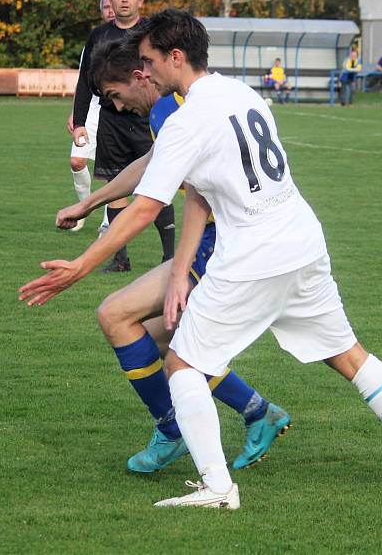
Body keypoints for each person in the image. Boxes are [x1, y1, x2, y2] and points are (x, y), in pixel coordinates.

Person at [20, 9, 382, 509]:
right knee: (350, 357)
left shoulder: (189, 117)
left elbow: (147, 207)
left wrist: (80, 267)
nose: (142, 69)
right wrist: (138, 239)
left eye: (148, 59)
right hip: (302, 242)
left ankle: (217, 488)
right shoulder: (241, 92)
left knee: (183, 365)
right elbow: (196, 190)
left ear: (175, 57)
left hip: (251, 255)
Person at [55, 38, 291, 473]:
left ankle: (172, 428)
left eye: (115, 96)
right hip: (237, 238)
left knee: (115, 317)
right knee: (163, 337)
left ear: (140, 76)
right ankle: (258, 412)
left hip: (225, 243)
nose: (119, 108)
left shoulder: (171, 109)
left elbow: (150, 202)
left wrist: (81, 265)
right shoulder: (175, 105)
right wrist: (88, 204)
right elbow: (150, 163)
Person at [71, 0, 175, 272]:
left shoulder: (152, 34)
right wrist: (79, 121)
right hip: (111, 121)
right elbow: (84, 80)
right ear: (110, 1)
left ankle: (169, 256)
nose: (124, 0)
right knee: (115, 184)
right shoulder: (99, 36)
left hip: (147, 119)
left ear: (140, 0)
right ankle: (120, 259)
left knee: (158, 180)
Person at [66, 0, 118, 233]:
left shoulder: (132, 39)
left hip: (118, 109)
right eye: (106, 7)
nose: (110, 10)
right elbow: (83, 80)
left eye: (113, 5)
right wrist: (76, 116)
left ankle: (108, 222)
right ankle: (84, 209)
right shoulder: (95, 39)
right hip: (93, 109)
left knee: (112, 169)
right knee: (77, 161)